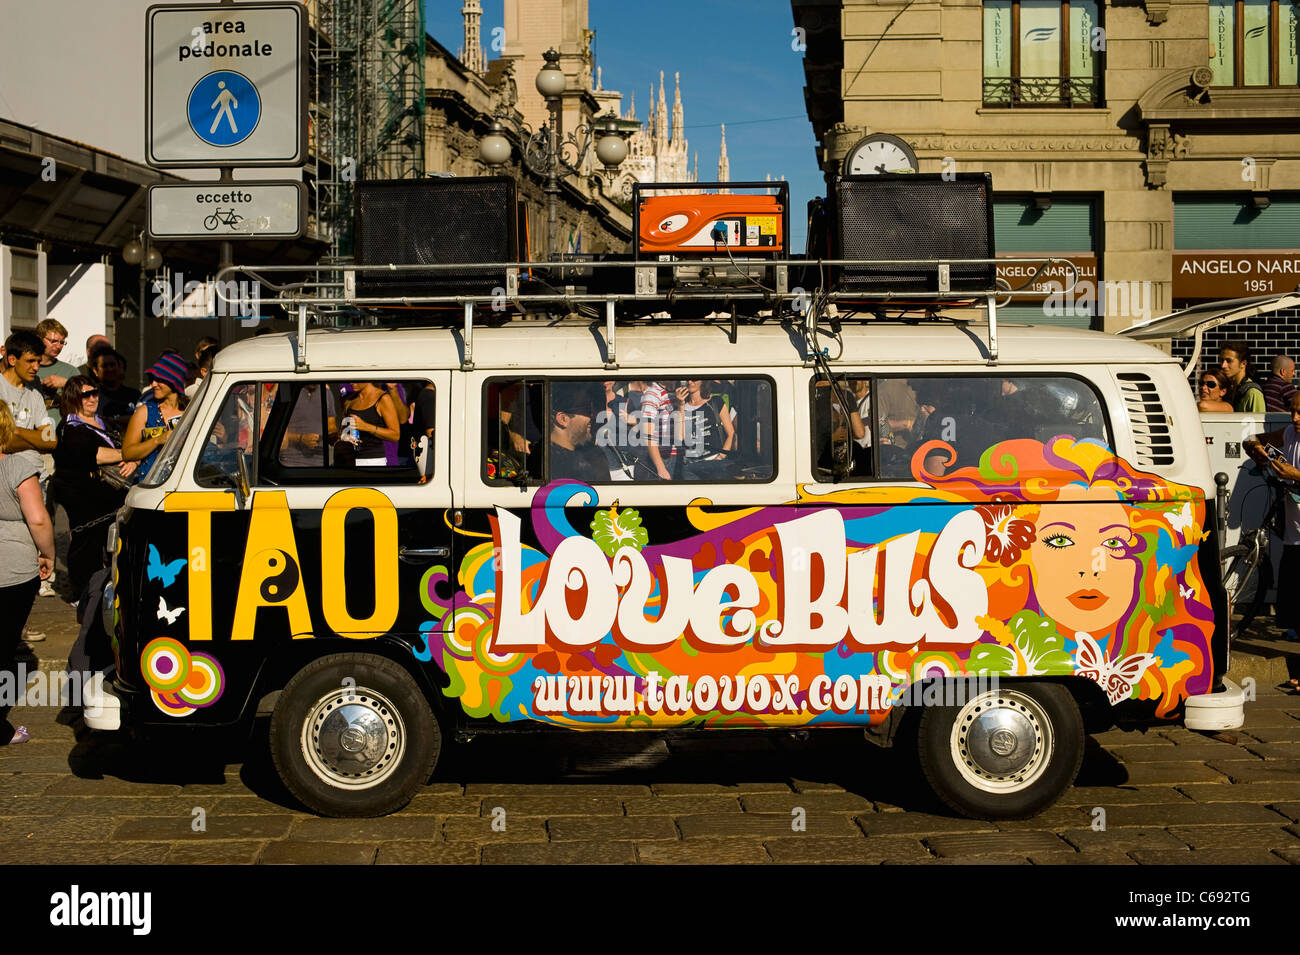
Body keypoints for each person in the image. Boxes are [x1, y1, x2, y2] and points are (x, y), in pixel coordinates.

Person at [0, 402, 55, 745]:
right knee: (3, 648)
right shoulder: (17, 466)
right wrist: (48, 554)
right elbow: (37, 519)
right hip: (12, 571)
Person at [52, 377, 136, 599]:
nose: (92, 399)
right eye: (85, 395)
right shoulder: (69, 428)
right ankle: (82, 594)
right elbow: (94, 455)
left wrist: (132, 460)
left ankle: (109, 588)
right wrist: (128, 455)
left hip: (112, 493)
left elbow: (122, 445)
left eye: (95, 393)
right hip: (83, 496)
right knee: (86, 544)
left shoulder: (104, 421)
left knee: (112, 543)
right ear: (73, 398)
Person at [1244, 391, 1300, 645]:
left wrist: (1295, 474)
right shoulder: (1289, 433)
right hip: (1293, 529)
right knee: (1290, 589)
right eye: (1293, 412)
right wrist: (1255, 447)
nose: (1295, 418)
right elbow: (1252, 440)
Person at [122, 352, 187, 479]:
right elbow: (127, 453)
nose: (153, 384)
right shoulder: (145, 411)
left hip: (183, 485)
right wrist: (158, 440)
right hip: (151, 487)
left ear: (174, 380)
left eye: (160, 380)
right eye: (152, 379)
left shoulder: (191, 411)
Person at [677, 379, 736, 481]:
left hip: (713, 462)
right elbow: (680, 437)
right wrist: (681, 405)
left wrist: (721, 457)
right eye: (687, 379)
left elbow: (731, 433)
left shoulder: (715, 402)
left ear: (703, 381)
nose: (690, 382)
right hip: (691, 466)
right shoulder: (681, 407)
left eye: (694, 379)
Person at [549, 382, 608, 483]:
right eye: (588, 410)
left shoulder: (593, 455)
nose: (593, 416)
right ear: (563, 419)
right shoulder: (550, 464)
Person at [341, 381, 400, 467]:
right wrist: (344, 437)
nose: (351, 382)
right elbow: (342, 432)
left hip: (373, 461)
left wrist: (366, 427)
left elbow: (395, 435)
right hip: (349, 461)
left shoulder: (383, 398)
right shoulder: (349, 400)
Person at [35, 319, 78, 429]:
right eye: (53, 341)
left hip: (59, 433)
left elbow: (88, 399)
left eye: (62, 342)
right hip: (29, 433)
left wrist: (67, 384)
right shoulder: (25, 368)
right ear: (39, 339)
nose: (58, 346)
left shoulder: (70, 371)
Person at [92, 349, 140, 436]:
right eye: (104, 366)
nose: (109, 369)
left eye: (112, 364)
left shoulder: (135, 395)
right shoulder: (90, 396)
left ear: (119, 367)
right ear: (95, 371)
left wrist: (113, 419)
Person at [1219, 340, 1265, 413]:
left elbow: (1258, 423)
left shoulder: (1252, 392)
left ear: (1243, 363)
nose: (1223, 365)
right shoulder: (1229, 390)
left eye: (1229, 361)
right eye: (1221, 360)